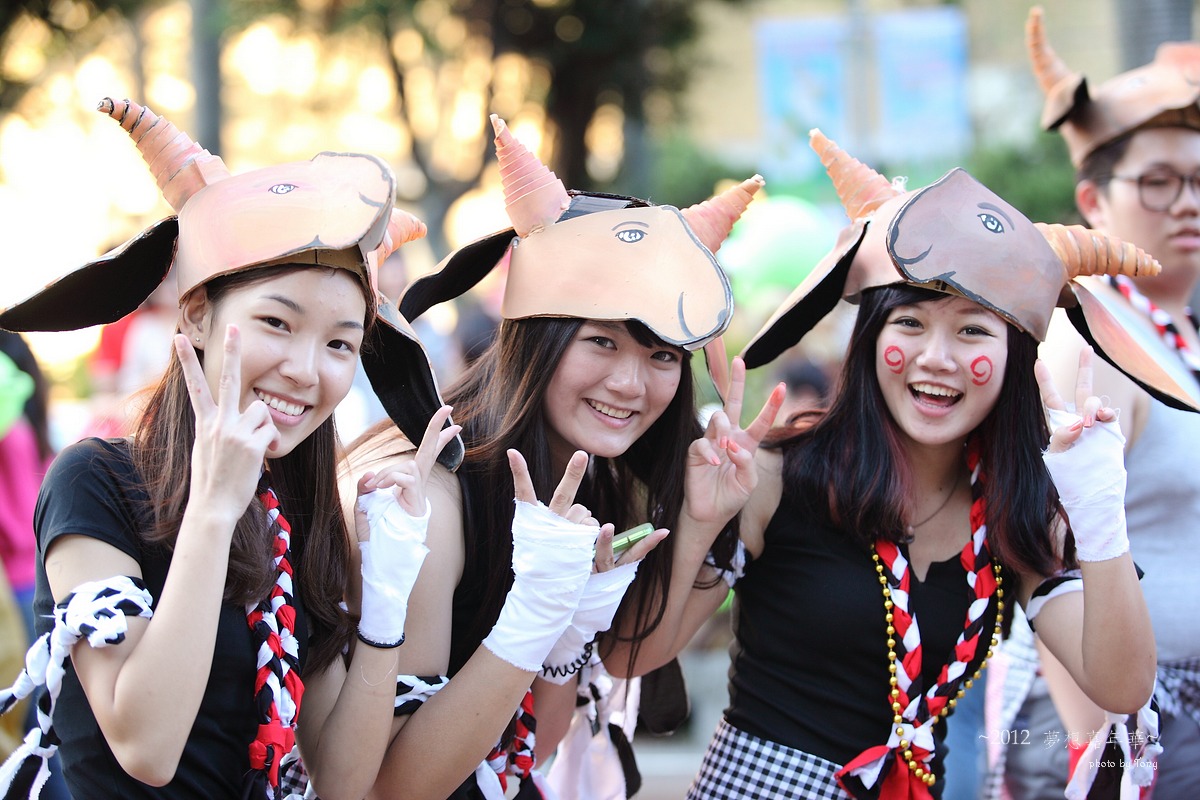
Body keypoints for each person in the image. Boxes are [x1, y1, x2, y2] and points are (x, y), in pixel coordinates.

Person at [672, 129, 1187, 799]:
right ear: (870, 340)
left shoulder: (1017, 511)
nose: (937, 358)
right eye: (910, 323)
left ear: (1014, 361)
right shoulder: (776, 478)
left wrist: (1098, 506)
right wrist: (696, 521)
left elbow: (1122, 686)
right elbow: (633, 657)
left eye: (972, 330)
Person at [0, 97, 459, 800]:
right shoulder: (94, 481)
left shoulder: (297, 510)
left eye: (340, 344)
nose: (306, 370)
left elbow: (341, 780)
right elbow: (146, 746)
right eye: (277, 322)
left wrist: (387, 596)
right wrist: (213, 511)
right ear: (197, 315)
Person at [341, 114, 779, 800]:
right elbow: (395, 788)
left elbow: (538, 743)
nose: (631, 384)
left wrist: (700, 521)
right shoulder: (429, 499)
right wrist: (539, 610)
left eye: (663, 355)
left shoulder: (579, 477)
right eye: (601, 341)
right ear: (535, 339)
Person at [984, 10, 1200, 799]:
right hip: (1111, 725)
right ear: (1092, 198)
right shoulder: (1090, 337)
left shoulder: (1180, 333)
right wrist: (1098, 756)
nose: (1188, 202)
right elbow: (1047, 551)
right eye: (1159, 181)